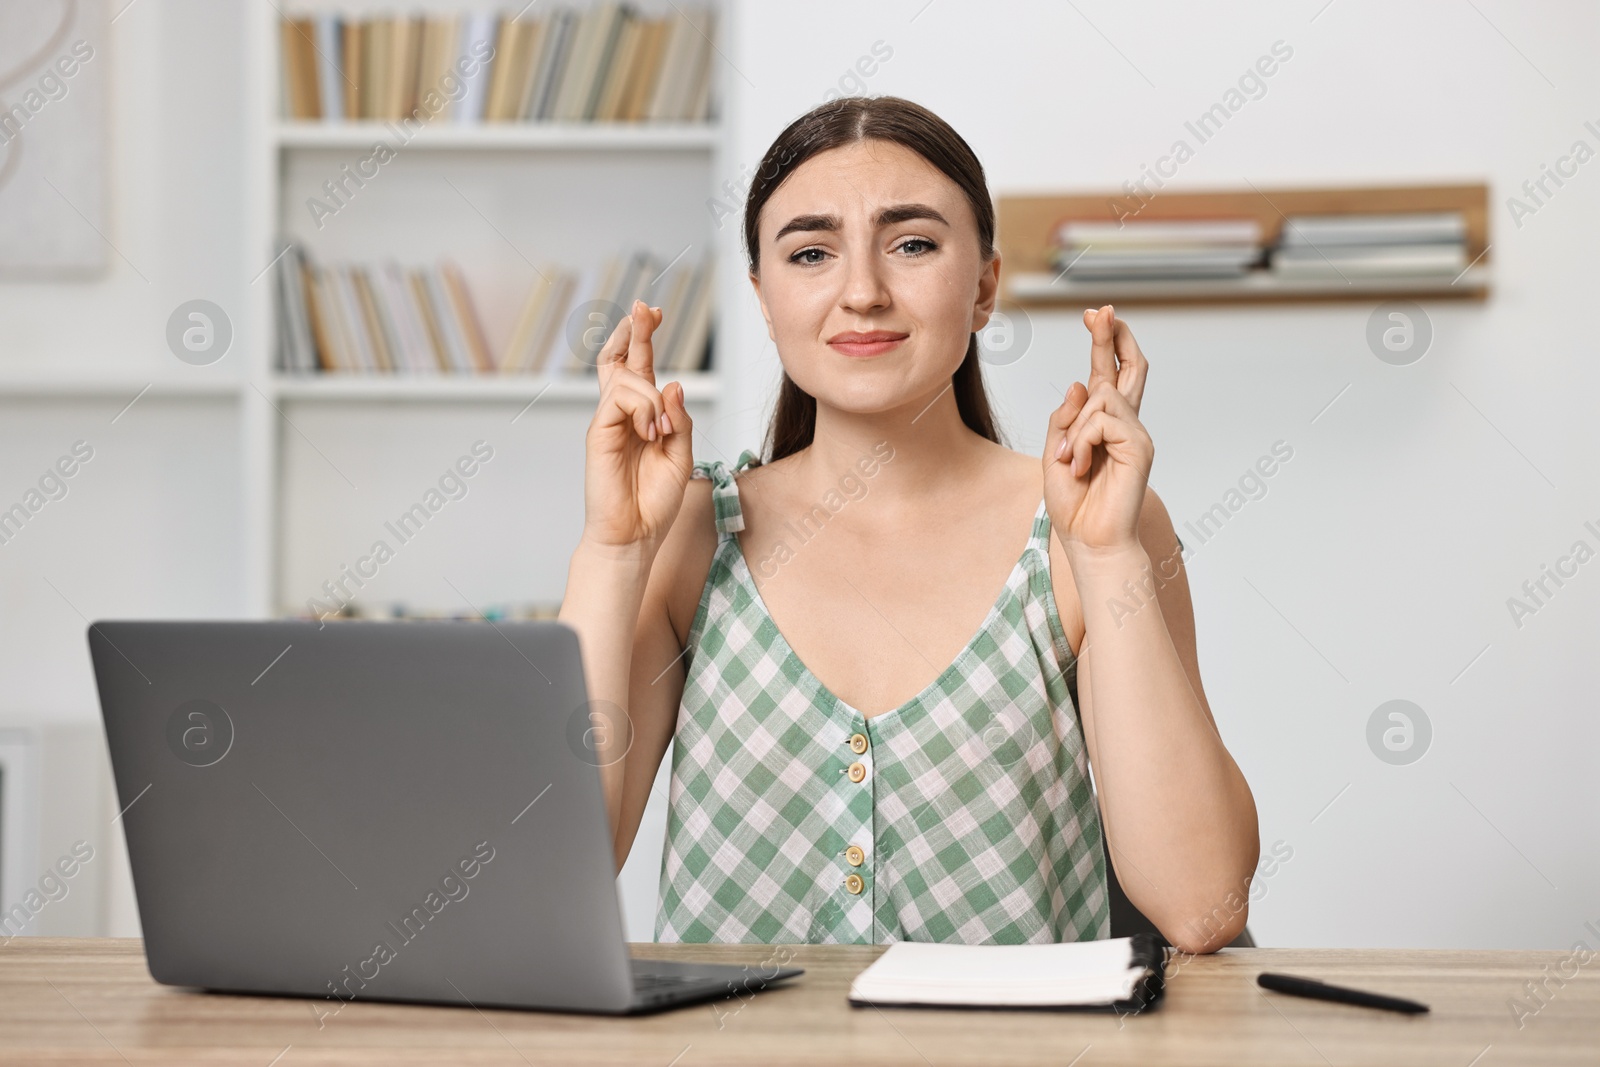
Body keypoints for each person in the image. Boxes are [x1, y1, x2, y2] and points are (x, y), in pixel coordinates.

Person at [558, 96, 1258, 952]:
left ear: (984, 289)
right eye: (812, 253)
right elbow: (547, 879)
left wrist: (1107, 551)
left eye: (914, 244)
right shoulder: (689, 537)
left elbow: (1203, 908)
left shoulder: (1088, 526)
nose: (862, 293)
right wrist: (612, 551)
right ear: (765, 300)